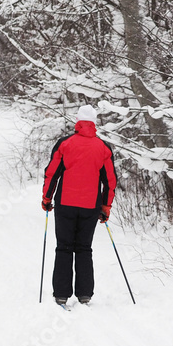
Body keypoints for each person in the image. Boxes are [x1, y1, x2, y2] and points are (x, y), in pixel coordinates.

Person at [40, 104, 116, 307]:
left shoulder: (64, 144)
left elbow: (52, 173)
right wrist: (105, 206)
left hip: (65, 203)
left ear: (78, 122)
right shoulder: (103, 148)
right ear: (94, 123)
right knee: (84, 248)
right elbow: (110, 181)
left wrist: (47, 198)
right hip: (90, 206)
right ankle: (84, 295)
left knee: (64, 248)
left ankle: (62, 295)